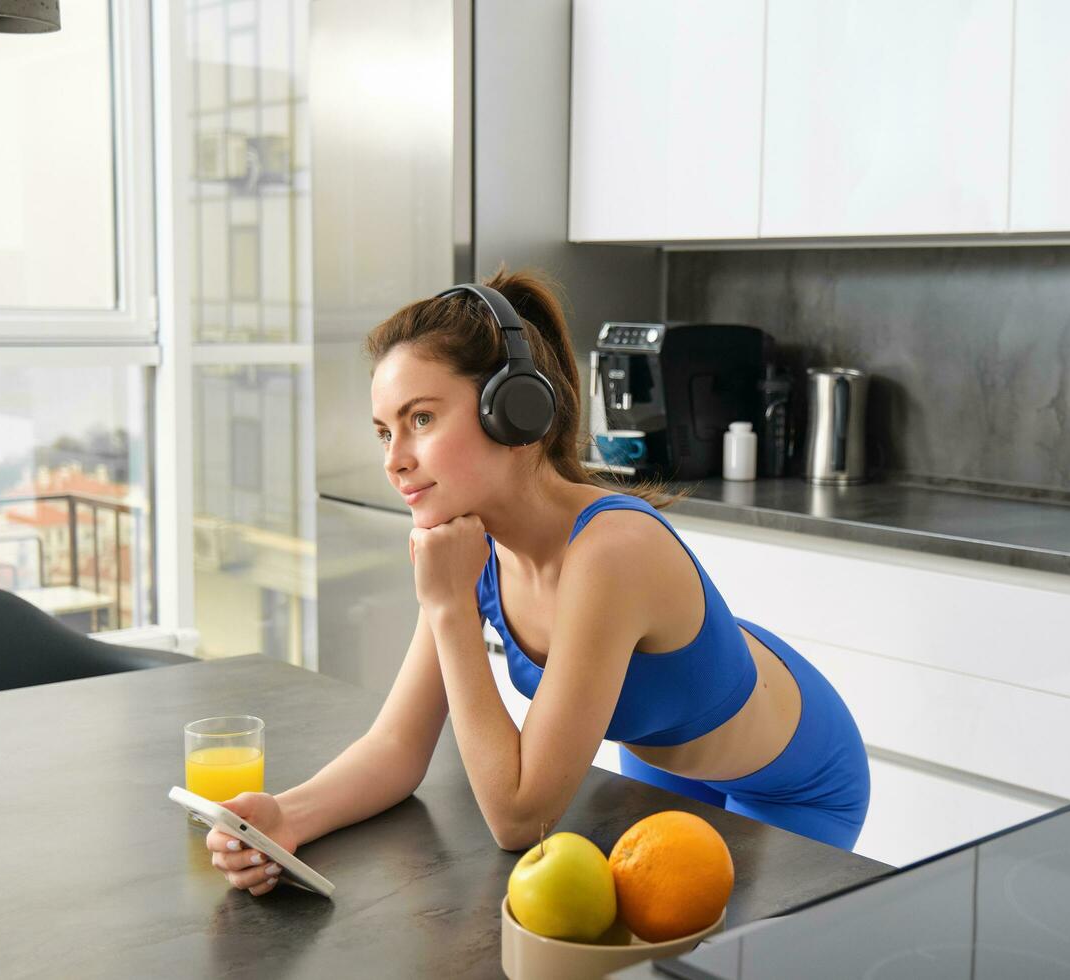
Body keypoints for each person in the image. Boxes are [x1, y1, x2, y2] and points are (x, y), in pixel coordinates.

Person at [206, 268, 870, 896]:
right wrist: (286, 817)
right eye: (385, 431)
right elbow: (397, 747)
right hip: (665, 758)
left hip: (792, 780)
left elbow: (520, 820)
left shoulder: (612, 549)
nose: (395, 460)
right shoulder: (472, 545)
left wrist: (448, 609)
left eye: (422, 419)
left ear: (515, 412)